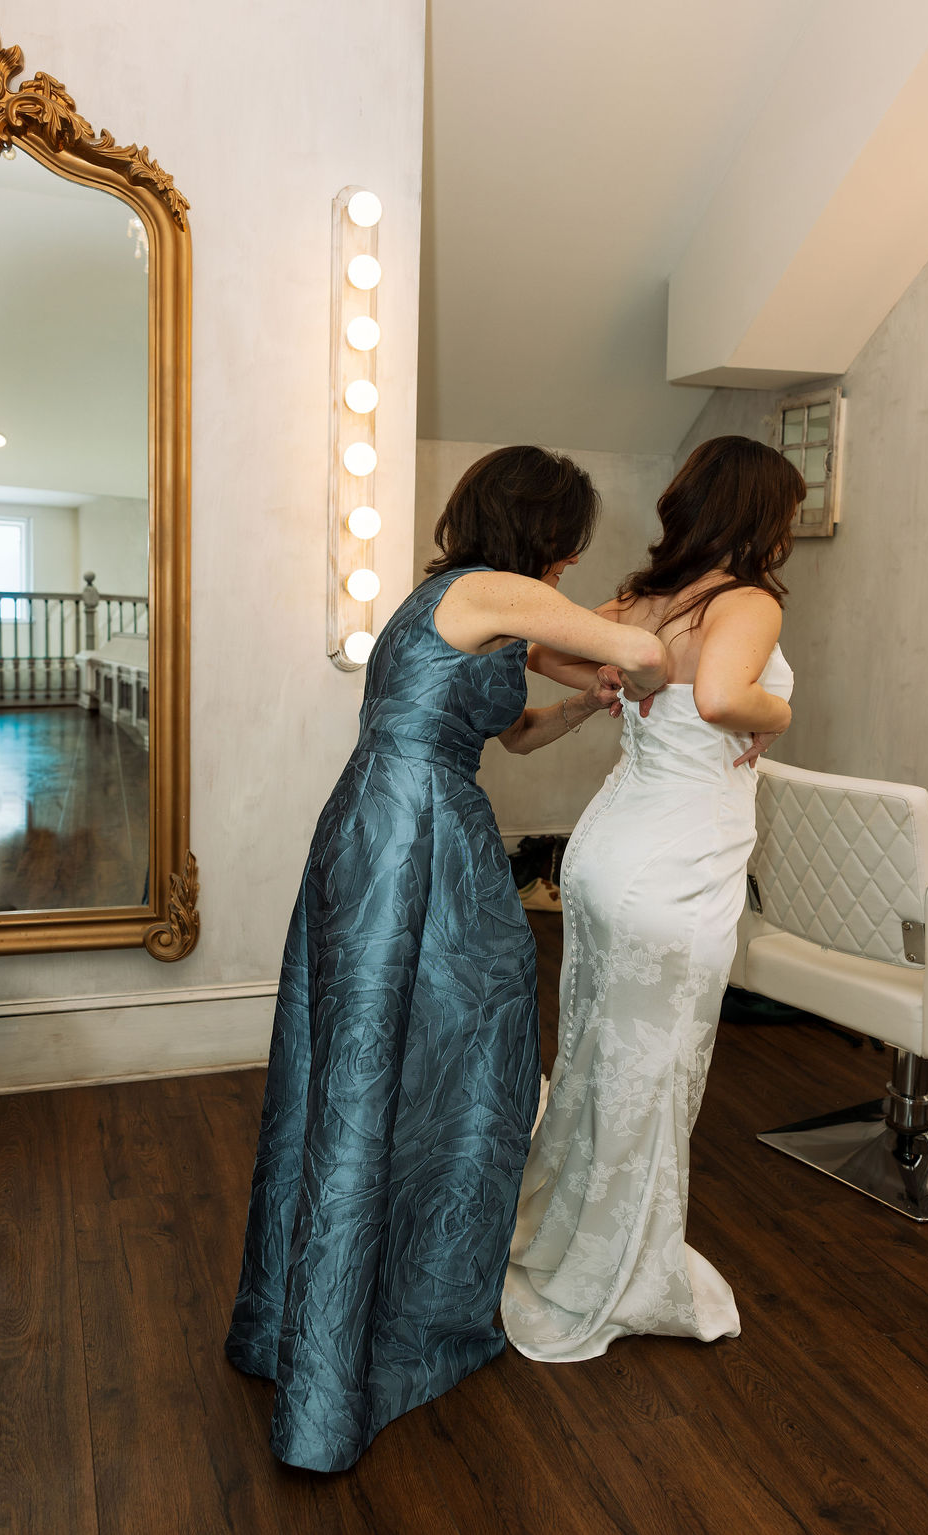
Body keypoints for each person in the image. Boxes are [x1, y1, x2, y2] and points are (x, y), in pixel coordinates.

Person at [225, 444, 668, 1472]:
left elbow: (511, 733)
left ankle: (331, 1316)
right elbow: (639, 654)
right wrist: (656, 613)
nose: (563, 566)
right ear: (542, 530)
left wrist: (577, 702)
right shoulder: (495, 588)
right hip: (414, 824)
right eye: (565, 545)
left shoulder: (457, 599)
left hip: (397, 817)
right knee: (462, 1047)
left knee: (394, 1051)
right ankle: (392, 1323)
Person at [501, 435, 805, 1362]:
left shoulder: (643, 597)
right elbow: (720, 696)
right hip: (676, 866)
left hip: (606, 853)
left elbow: (535, 640)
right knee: (654, 1070)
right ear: (760, 515)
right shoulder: (744, 600)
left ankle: (568, 1238)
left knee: (600, 1053)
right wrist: (779, 711)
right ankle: (620, 1269)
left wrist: (606, 683)